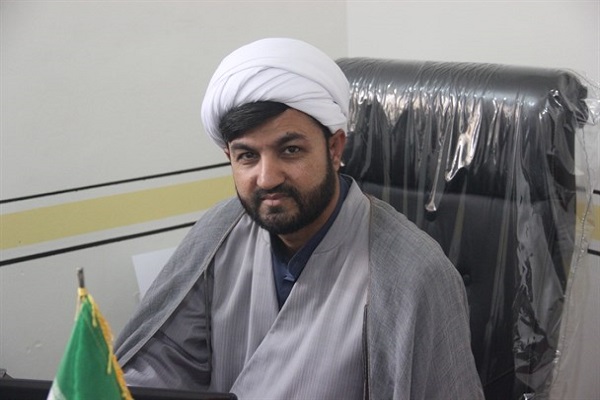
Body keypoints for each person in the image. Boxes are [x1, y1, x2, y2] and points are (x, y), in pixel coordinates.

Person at [114, 37, 484, 400]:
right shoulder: (219, 232)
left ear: (334, 148)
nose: (267, 178)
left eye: (290, 150)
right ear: (230, 158)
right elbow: (163, 363)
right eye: (247, 156)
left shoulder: (413, 274)